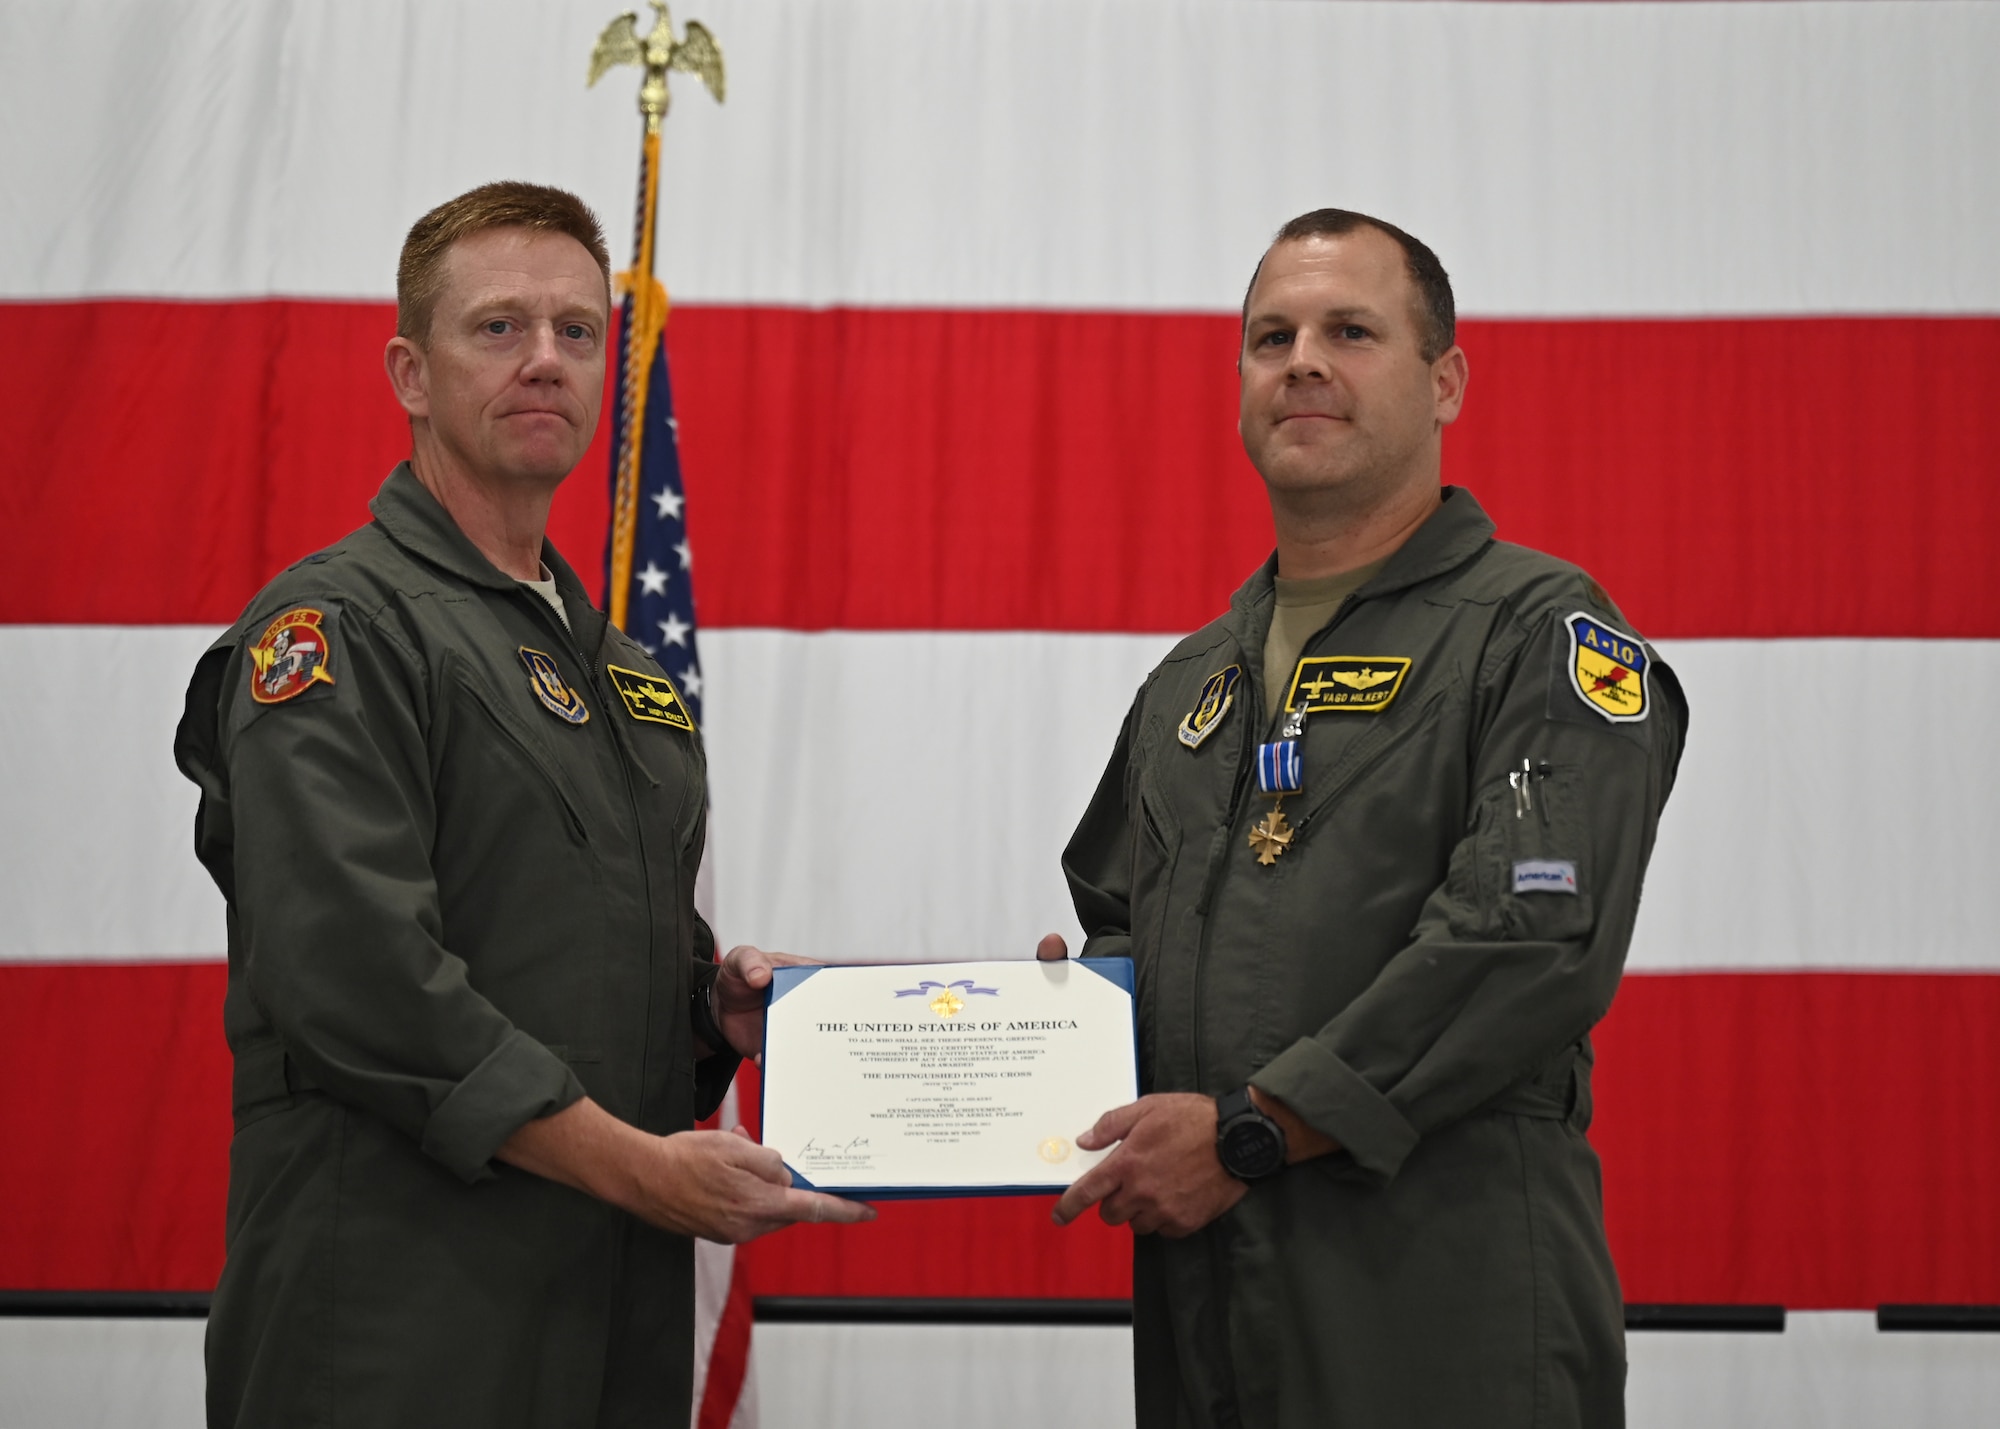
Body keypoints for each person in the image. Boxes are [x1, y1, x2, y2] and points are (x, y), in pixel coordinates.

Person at [174, 181, 870, 1429]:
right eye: (497, 328)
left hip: (605, 1315)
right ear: (410, 371)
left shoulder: (622, 677)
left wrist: (706, 1010)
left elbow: (555, 941)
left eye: (576, 330)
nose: (544, 358)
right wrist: (646, 1171)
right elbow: (358, 979)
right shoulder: (338, 628)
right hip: (397, 1324)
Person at [1040, 209, 1688, 1427]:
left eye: (1350, 330)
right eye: (1269, 336)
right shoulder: (1191, 682)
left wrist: (1251, 1131)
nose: (1301, 362)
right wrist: (1051, 1029)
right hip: (1208, 1325)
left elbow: (1525, 939)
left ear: (1443, 381)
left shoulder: (1536, 632)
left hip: (1442, 1313)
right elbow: (1122, 925)